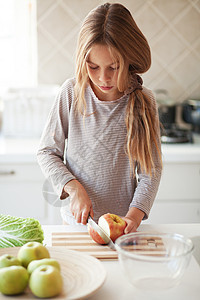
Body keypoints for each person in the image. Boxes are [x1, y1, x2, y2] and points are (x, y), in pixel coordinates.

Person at [37, 2, 162, 233]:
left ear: (129, 59)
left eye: (113, 67)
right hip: (76, 226)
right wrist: (74, 188)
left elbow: (150, 171)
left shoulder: (145, 101)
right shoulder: (71, 93)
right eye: (93, 67)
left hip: (124, 227)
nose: (103, 78)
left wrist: (133, 217)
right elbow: (47, 152)